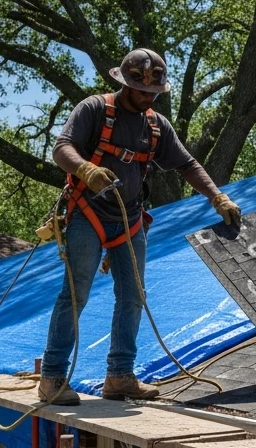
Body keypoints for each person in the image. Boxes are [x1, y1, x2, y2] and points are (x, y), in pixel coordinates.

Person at [39, 48, 241, 405]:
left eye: (154, 93)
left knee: (133, 297)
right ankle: (53, 378)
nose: (149, 98)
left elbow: (188, 164)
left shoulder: (155, 126)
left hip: (130, 220)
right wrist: (86, 170)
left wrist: (217, 198)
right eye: (143, 91)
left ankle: (119, 376)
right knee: (76, 293)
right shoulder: (94, 109)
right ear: (124, 82)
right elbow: (62, 148)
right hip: (88, 214)